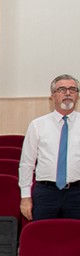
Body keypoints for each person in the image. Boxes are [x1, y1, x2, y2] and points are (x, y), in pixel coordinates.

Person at [19, 74, 80, 220]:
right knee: (44, 232)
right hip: (46, 193)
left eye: (72, 89)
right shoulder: (38, 125)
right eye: (62, 89)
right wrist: (25, 197)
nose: (67, 93)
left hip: (77, 193)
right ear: (52, 96)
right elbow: (27, 163)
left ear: (77, 95)